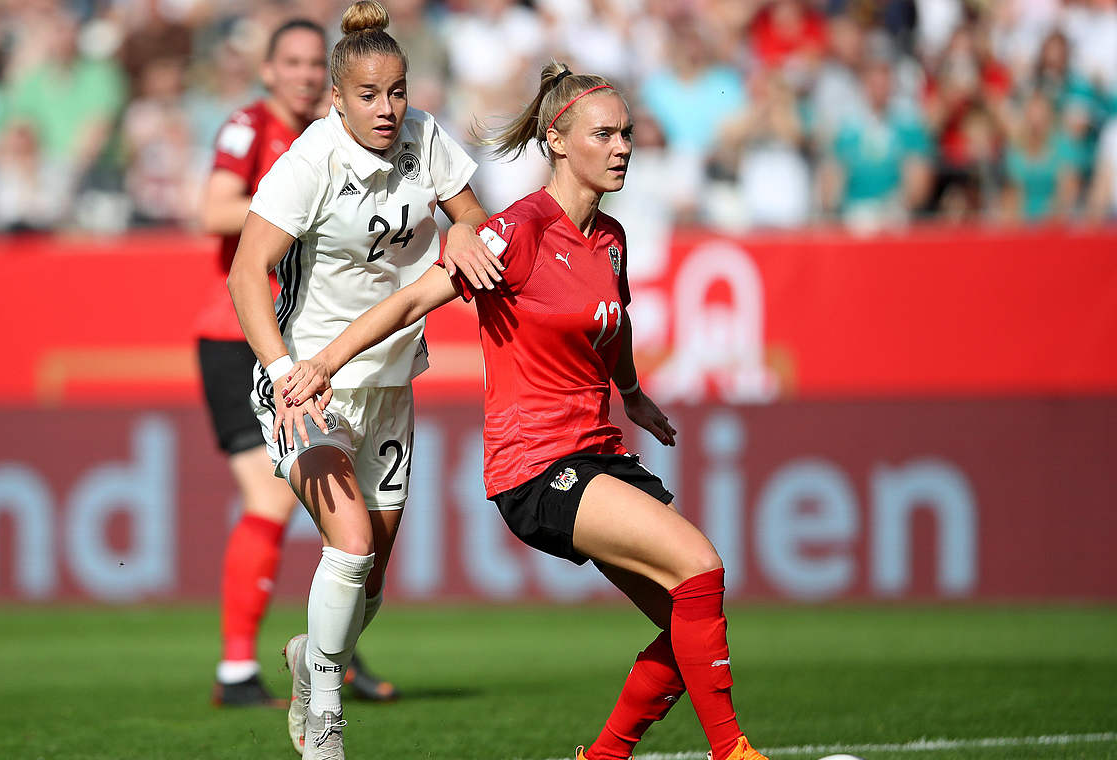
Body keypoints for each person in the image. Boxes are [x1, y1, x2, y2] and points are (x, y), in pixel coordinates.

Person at [279, 62, 769, 760]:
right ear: (559, 140)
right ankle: (735, 753)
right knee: (701, 567)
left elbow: (615, 323)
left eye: (627, 132)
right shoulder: (520, 230)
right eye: (606, 133)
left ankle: (602, 758)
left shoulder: (612, 239)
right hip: (537, 467)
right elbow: (415, 299)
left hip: (599, 451)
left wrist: (630, 392)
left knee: (689, 623)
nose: (624, 145)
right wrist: (324, 362)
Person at [225, 2, 503, 757]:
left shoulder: (423, 138)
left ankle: (307, 656)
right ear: (337, 99)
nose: (388, 109)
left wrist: (470, 233)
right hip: (306, 385)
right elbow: (247, 273)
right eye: (370, 95)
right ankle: (323, 720)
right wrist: (283, 372)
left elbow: (472, 212)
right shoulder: (308, 163)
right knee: (348, 546)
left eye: (398, 91)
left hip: (388, 383)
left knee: (370, 580)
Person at [196, 18, 401, 707]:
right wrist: (294, 204)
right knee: (273, 497)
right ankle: (237, 671)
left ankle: (334, 653)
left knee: (340, 518)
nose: (308, 75)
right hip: (242, 340)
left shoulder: (340, 139)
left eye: (318, 64)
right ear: (268, 71)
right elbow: (213, 206)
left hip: (307, 346)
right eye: (294, 62)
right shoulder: (251, 128)